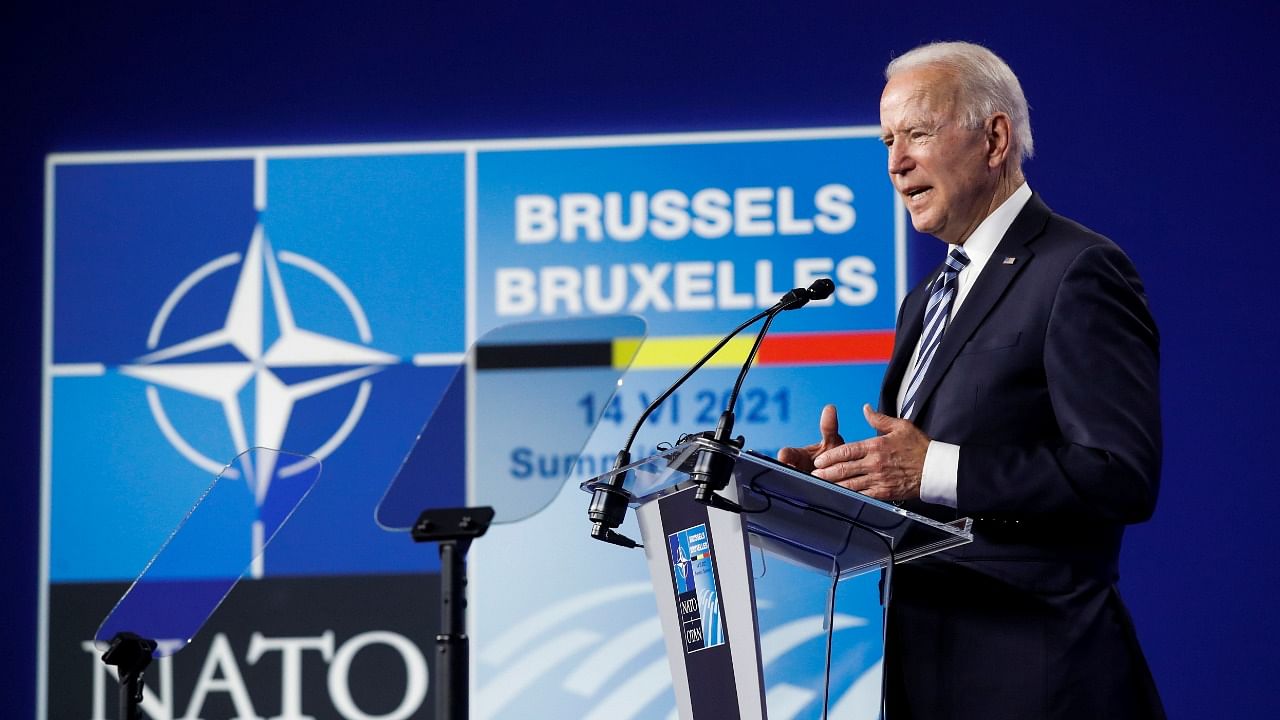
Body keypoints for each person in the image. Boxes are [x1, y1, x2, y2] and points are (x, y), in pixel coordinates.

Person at [779, 41, 1164, 719]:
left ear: (993, 138)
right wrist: (850, 482)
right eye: (888, 140)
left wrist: (930, 470)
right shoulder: (925, 297)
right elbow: (917, 492)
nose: (895, 163)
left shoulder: (1078, 270)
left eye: (917, 134)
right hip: (927, 676)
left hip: (1042, 679)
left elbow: (1119, 473)